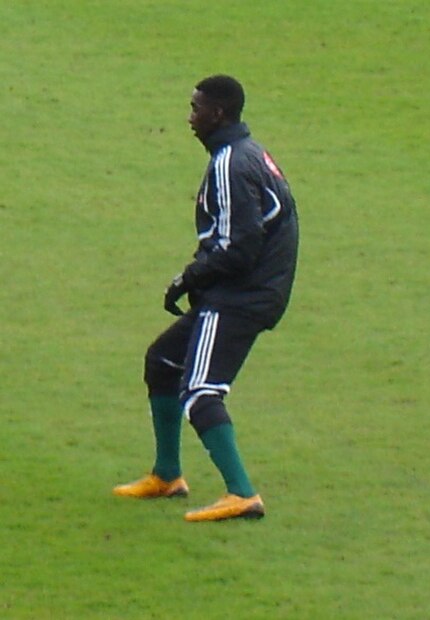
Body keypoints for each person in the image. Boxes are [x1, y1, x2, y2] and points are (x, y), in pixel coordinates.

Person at [113, 75, 299, 522]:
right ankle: (167, 475)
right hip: (250, 288)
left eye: (196, 108)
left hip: (242, 296)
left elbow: (240, 246)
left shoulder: (230, 164)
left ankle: (243, 494)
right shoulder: (248, 153)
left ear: (218, 113)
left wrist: (189, 278)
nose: (190, 117)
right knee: (163, 360)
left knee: (200, 390)